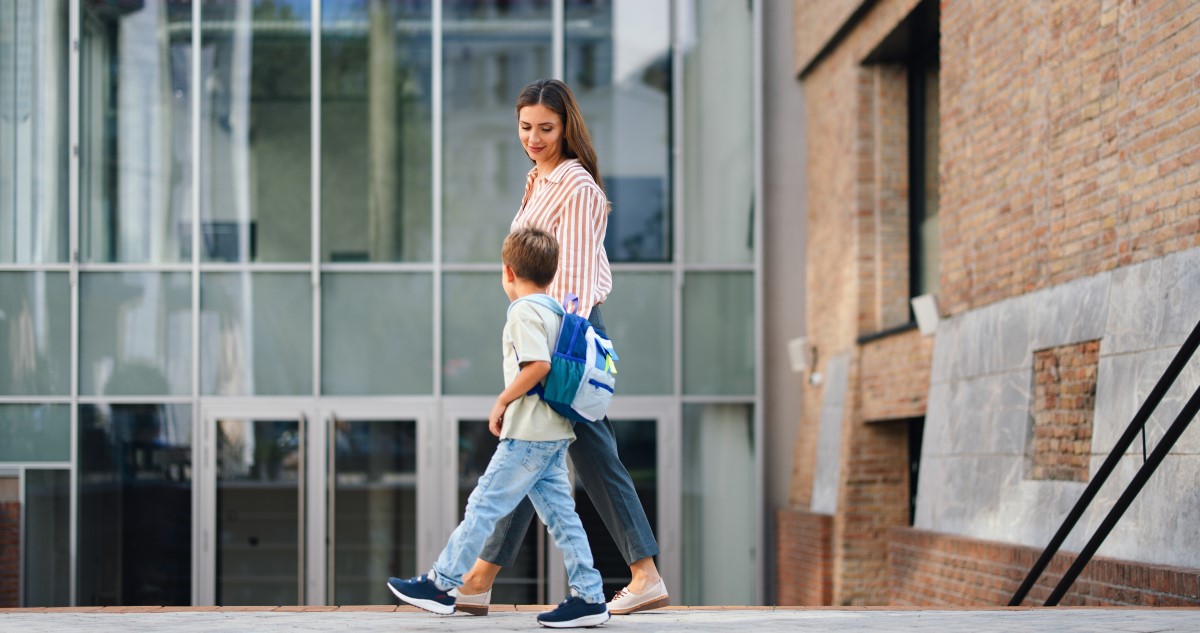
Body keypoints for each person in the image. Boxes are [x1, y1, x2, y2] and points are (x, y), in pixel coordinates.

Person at [454, 78, 669, 617]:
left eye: (545, 128)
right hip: (544, 328)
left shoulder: (575, 186)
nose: (534, 137)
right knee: (547, 449)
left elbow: (571, 277)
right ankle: (483, 578)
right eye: (525, 127)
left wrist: (547, 356)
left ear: (566, 126)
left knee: (558, 448)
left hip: (564, 332)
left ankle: (641, 574)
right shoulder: (537, 182)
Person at [386, 227, 610, 629]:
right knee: (563, 518)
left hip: (527, 435)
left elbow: (538, 365)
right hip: (555, 432)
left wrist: (503, 399)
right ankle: (590, 596)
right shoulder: (558, 310)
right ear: (551, 273)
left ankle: (441, 584)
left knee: (484, 505)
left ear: (508, 272)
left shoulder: (524, 312)